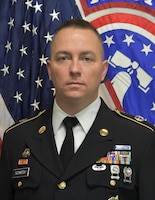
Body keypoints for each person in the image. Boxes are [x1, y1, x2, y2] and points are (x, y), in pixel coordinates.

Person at [0, 18, 155, 200]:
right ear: (49, 69)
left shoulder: (141, 140)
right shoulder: (16, 139)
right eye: (64, 58)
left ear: (103, 70)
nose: (74, 69)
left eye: (86, 59)